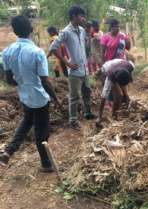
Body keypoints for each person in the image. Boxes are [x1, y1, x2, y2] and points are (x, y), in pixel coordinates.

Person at [0, 16, 60, 172]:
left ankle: (9, 150)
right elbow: (45, 81)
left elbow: (8, 79)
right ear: (32, 30)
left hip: (24, 96)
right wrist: (55, 98)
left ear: (14, 31)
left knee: (26, 121)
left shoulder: (6, 52)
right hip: (39, 98)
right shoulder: (37, 52)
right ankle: (46, 164)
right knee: (41, 131)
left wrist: (22, 83)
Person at [49, 5, 95, 129]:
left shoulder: (81, 30)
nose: (83, 18)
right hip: (74, 71)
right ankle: (73, 120)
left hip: (84, 68)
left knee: (87, 92)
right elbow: (53, 48)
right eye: (81, 16)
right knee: (74, 96)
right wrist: (67, 63)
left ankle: (87, 112)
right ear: (74, 16)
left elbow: (85, 48)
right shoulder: (66, 32)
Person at [96, 59, 134, 125]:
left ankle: (123, 112)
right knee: (119, 95)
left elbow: (126, 83)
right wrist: (99, 117)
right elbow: (103, 97)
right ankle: (114, 116)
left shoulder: (130, 67)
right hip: (106, 70)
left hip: (119, 67)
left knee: (125, 96)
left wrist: (127, 96)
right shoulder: (110, 77)